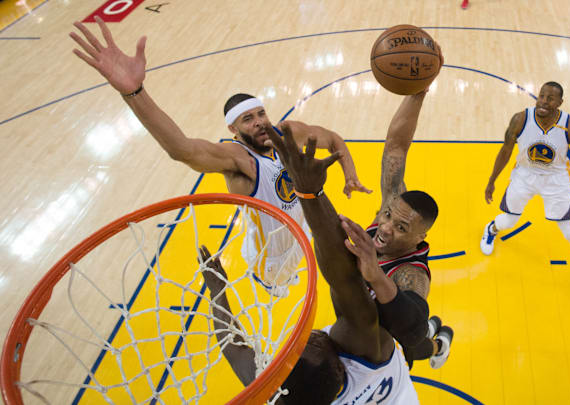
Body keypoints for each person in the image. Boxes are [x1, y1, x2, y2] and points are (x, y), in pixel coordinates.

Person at [70, 17, 370, 296]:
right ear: (234, 129)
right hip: (271, 260)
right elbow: (182, 149)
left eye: (261, 113)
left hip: (301, 234)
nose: (259, 122)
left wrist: (351, 174)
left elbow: (333, 139)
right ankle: (269, 285)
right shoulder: (239, 159)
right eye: (248, 119)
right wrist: (135, 92)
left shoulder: (288, 132)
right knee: (281, 294)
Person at [199, 123, 419, 404]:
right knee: (413, 333)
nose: (304, 338)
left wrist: (217, 291)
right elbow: (343, 275)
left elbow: (233, 347)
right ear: (341, 369)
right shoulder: (366, 354)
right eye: (310, 344)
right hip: (399, 396)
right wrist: (308, 192)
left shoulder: (283, 396)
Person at [345, 89, 453, 370]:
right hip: (360, 314)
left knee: (418, 347)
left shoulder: (412, 276)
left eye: (401, 227)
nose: (386, 227)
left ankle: (440, 343)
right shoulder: (392, 204)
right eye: (388, 215)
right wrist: (418, 90)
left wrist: (376, 278)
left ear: (420, 239)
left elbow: (411, 326)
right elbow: (395, 147)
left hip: (395, 331)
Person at [480, 81, 570, 309]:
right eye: (541, 96)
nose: (543, 102)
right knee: (509, 220)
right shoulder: (520, 119)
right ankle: (491, 229)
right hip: (525, 175)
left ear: (559, 103)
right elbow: (506, 150)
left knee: (569, 230)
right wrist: (492, 180)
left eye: (550, 99)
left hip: (555, 181)